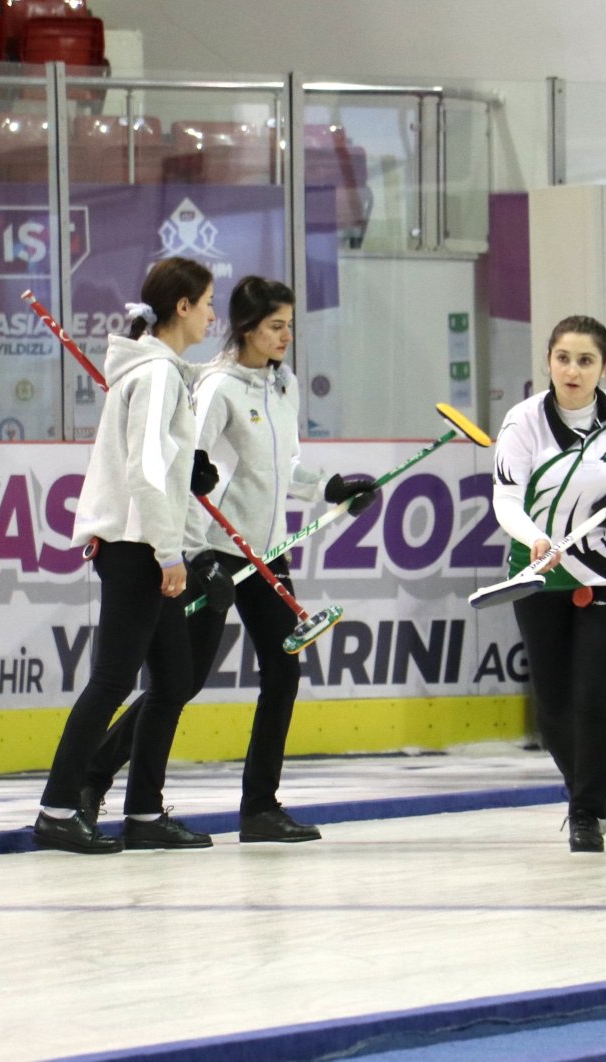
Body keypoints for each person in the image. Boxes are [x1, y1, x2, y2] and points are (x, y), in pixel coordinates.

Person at [81, 276, 378, 844]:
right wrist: (193, 554)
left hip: (267, 555)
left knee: (283, 673)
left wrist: (330, 487)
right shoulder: (216, 387)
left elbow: (284, 468)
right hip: (215, 553)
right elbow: (189, 479)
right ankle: (96, 779)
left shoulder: (283, 386)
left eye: (290, 324)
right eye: (275, 325)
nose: (286, 335)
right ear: (245, 328)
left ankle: (260, 808)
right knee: (181, 682)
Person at [34, 256, 220, 854]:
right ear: (182, 307)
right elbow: (142, 472)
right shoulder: (159, 375)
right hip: (139, 549)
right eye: (208, 302)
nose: (213, 313)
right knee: (114, 680)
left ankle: (143, 811)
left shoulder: (159, 372)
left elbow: (160, 471)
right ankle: (58, 808)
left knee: (173, 679)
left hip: (149, 545)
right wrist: (170, 554)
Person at [491, 315, 606, 853]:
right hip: (540, 570)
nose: (572, 370)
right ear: (548, 361)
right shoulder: (522, 422)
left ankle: (586, 813)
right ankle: (584, 794)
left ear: (603, 366)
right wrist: (534, 540)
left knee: (593, 695)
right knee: (553, 706)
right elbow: (506, 501)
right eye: (562, 358)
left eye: (585, 360)